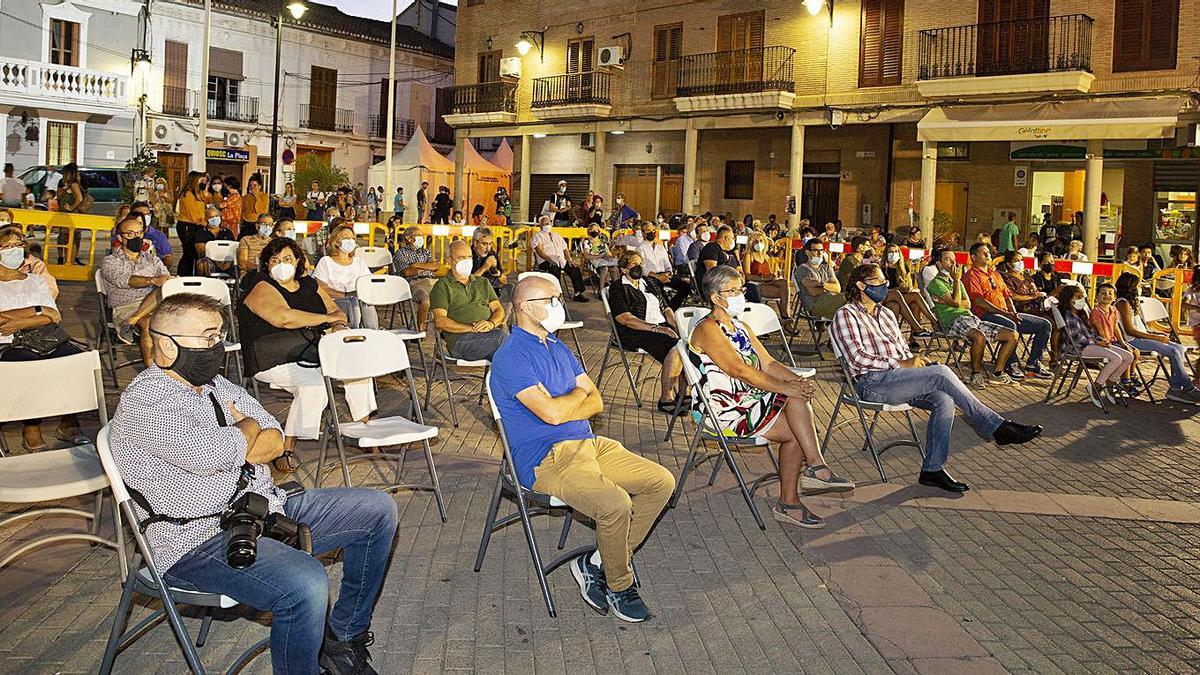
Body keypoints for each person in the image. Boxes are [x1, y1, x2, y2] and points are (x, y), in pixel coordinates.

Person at [110, 293, 395, 674]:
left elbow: (276, 438)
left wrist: (241, 439)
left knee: (377, 510)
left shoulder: (215, 386)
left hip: (262, 509)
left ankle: (344, 640)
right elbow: (208, 455)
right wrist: (246, 428)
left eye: (218, 336)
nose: (217, 347)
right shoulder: (146, 401)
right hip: (196, 540)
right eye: (207, 337)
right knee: (306, 584)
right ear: (165, 344)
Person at [490, 276, 675, 622]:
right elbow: (553, 414)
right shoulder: (511, 357)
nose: (559, 305)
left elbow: (598, 401)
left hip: (588, 444)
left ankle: (598, 563)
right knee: (615, 504)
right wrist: (576, 399)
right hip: (546, 458)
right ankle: (619, 584)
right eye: (552, 299)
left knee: (660, 481)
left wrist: (569, 404)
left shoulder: (558, 346)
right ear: (525, 307)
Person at [831, 263, 1042, 492]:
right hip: (872, 383)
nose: (884, 286)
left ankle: (932, 469)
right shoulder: (846, 314)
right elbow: (856, 358)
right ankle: (995, 427)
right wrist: (900, 364)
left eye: (884, 281)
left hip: (900, 378)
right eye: (878, 282)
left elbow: (903, 351)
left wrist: (917, 362)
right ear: (861, 285)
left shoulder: (886, 314)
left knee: (944, 399)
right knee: (942, 373)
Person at [690, 265, 852, 526]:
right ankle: (808, 477)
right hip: (726, 409)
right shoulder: (708, 328)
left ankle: (802, 485)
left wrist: (795, 381)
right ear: (715, 297)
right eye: (731, 291)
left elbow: (768, 363)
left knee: (797, 418)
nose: (739, 295)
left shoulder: (739, 326)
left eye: (739, 289)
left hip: (751, 400)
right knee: (794, 408)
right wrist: (786, 388)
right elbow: (738, 369)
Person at [239, 238, 367, 464]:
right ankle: (286, 448)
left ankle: (364, 430)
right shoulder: (260, 285)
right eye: (275, 260)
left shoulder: (310, 284)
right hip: (273, 355)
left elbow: (335, 310)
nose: (281, 264)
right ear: (266, 265)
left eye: (287, 259)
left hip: (312, 351)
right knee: (315, 387)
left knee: (357, 369)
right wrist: (326, 320)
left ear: (298, 260)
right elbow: (283, 318)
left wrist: (338, 325)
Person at [0, 225, 87, 451]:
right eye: (7, 246)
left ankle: (69, 422)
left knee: (75, 360)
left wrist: (17, 322)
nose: (14, 250)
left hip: (45, 338)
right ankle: (32, 428)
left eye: (18, 245)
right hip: (8, 343)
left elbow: (53, 316)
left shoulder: (35, 280)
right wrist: (38, 311)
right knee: (29, 366)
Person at [926, 248, 1020, 388]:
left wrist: (948, 300)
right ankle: (976, 374)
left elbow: (967, 304)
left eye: (954, 259)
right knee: (979, 337)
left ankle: (998, 374)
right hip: (953, 322)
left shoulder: (957, 282)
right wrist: (956, 285)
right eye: (948, 259)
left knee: (1012, 335)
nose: (953, 263)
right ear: (939, 264)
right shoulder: (936, 283)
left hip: (971, 318)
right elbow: (957, 303)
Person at [606, 250, 685, 413]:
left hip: (660, 326)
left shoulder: (649, 282)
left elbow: (666, 307)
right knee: (676, 348)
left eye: (641, 263)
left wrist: (675, 325)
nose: (639, 267)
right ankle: (665, 398)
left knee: (689, 343)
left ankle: (685, 394)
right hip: (634, 331)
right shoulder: (618, 288)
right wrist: (658, 329)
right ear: (624, 269)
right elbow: (625, 319)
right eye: (634, 264)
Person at [962, 243, 1054, 379]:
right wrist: (1006, 314)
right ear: (974, 257)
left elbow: (1007, 296)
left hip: (1006, 313)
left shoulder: (996, 274)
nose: (988, 255)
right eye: (983, 253)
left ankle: (1034, 362)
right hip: (986, 315)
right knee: (1010, 326)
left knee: (1045, 325)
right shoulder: (971, 276)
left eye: (988, 252)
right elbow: (979, 301)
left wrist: (1013, 312)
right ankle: (1011, 364)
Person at [1113, 272, 1199, 403]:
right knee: (1173, 351)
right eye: (1138, 284)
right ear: (1131, 287)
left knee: (1180, 348)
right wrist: (1155, 338)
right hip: (1133, 341)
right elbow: (1130, 331)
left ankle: (1175, 388)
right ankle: (1189, 387)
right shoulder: (1122, 303)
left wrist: (1157, 334)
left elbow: (1140, 327)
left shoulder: (1132, 302)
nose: (1141, 286)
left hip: (1143, 337)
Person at [101, 216, 171, 366]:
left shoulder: (152, 259)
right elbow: (126, 280)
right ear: (120, 237)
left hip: (156, 304)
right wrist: (151, 280)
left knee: (167, 291)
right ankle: (153, 374)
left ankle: (131, 322)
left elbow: (165, 277)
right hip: (127, 306)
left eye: (139, 233)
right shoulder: (111, 261)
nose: (136, 237)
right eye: (130, 234)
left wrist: (167, 280)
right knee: (148, 321)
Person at [1056, 283, 1134, 408]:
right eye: (1078, 297)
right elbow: (1076, 337)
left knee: (1128, 357)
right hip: (1078, 348)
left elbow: (1090, 332)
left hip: (1090, 345)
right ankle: (1096, 386)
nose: (1082, 300)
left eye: (1082, 297)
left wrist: (1100, 339)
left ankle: (1110, 382)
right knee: (1116, 358)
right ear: (1069, 300)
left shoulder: (1080, 313)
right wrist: (1096, 342)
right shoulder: (1069, 315)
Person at [431, 240, 507, 361]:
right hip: (461, 341)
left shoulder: (482, 282)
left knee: (508, 345)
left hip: (489, 334)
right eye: (461, 258)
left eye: (469, 257)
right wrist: (472, 328)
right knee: (504, 341)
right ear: (449, 261)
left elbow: (498, 309)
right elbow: (440, 321)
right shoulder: (442, 286)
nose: (467, 261)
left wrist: (490, 323)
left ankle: (501, 377)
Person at [313, 224, 378, 329]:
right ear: (337, 242)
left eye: (352, 238)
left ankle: (372, 334)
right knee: (353, 302)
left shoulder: (359, 262)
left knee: (365, 302)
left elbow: (368, 283)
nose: (350, 241)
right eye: (345, 238)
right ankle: (355, 333)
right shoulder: (326, 261)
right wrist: (346, 295)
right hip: (335, 302)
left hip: (357, 300)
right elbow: (320, 288)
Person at [1090, 282, 1143, 396]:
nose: (1107, 295)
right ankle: (1125, 380)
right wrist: (1109, 343)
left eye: (1110, 293)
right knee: (1126, 354)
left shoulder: (1113, 310)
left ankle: (1116, 379)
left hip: (1113, 340)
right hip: (1103, 342)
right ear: (1097, 296)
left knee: (1133, 353)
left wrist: (1122, 342)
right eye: (1103, 293)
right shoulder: (1096, 312)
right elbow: (1100, 331)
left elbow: (1115, 327)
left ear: (1114, 297)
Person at [879, 242, 938, 336]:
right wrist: (899, 288)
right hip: (886, 297)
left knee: (915, 303)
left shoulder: (903, 267)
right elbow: (881, 290)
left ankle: (913, 338)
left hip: (900, 297)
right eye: (890, 252)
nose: (893, 254)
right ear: (886, 254)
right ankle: (929, 325)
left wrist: (906, 287)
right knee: (898, 300)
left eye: (895, 252)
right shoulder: (881, 269)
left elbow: (909, 286)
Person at [531, 216, 588, 302]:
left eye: (548, 223)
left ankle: (578, 294)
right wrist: (549, 260)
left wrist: (569, 259)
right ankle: (556, 295)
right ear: (540, 225)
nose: (547, 225)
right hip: (546, 261)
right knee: (554, 269)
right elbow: (540, 252)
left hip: (561, 260)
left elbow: (565, 249)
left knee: (574, 268)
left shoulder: (556, 235)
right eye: (544, 223)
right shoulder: (538, 236)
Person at [741, 231, 792, 328]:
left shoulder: (766, 256)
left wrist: (773, 275)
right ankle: (786, 319)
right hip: (755, 284)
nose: (759, 243)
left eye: (761, 241)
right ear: (751, 243)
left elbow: (769, 273)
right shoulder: (749, 255)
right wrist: (763, 278)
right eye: (756, 241)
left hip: (767, 282)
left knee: (784, 282)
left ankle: (785, 317)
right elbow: (747, 276)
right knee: (782, 292)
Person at [391, 226, 439, 326]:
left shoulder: (425, 252)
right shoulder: (401, 253)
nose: (422, 238)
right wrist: (427, 267)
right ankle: (419, 329)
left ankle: (445, 329)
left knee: (452, 297)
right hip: (416, 283)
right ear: (408, 238)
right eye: (419, 236)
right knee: (426, 301)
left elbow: (435, 266)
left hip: (433, 281)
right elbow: (407, 272)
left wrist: (417, 265)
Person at [638, 221, 691, 310]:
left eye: (653, 230)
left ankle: (672, 308)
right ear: (643, 233)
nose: (651, 232)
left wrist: (668, 273)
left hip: (664, 274)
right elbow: (643, 269)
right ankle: (667, 311)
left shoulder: (660, 247)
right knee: (660, 293)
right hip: (651, 276)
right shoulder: (640, 248)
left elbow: (668, 264)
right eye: (648, 231)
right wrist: (658, 277)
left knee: (685, 286)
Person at [793, 237, 844, 320]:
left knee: (851, 303)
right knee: (846, 300)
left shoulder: (827, 268)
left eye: (821, 250)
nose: (819, 254)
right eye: (816, 250)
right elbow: (812, 292)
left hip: (831, 301)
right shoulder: (803, 268)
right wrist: (830, 287)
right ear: (807, 252)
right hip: (815, 305)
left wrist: (821, 285)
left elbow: (837, 288)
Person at [175, 172, 208, 275]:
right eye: (201, 180)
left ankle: (190, 274)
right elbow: (193, 214)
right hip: (188, 225)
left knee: (193, 253)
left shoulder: (198, 194)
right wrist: (204, 222)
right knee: (189, 252)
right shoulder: (187, 194)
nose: (203, 182)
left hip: (197, 225)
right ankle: (184, 274)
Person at [129, 201, 176, 271]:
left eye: (148, 214)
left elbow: (168, 257)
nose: (145, 216)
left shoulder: (159, 235)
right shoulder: (124, 233)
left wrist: (160, 269)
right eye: (141, 214)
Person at [194, 204, 236, 277]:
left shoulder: (228, 232)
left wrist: (227, 261)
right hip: (210, 261)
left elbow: (234, 249)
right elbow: (201, 251)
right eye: (211, 217)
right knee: (202, 264)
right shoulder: (201, 233)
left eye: (216, 216)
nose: (214, 219)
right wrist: (216, 260)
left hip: (227, 261)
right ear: (206, 219)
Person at [469, 226, 509, 295]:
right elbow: (467, 283)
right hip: (474, 293)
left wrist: (498, 274)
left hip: (491, 290)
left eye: (490, 244)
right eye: (484, 244)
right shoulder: (467, 255)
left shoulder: (491, 254)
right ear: (475, 243)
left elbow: (504, 281)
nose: (488, 248)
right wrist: (484, 268)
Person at [583, 221, 618, 289]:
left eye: (596, 229)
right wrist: (600, 256)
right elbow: (586, 256)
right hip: (593, 262)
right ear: (589, 231)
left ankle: (615, 289)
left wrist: (610, 256)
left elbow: (609, 254)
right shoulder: (587, 242)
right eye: (593, 229)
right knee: (605, 269)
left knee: (615, 269)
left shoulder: (602, 242)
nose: (595, 231)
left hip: (605, 261)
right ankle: (601, 290)